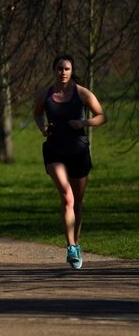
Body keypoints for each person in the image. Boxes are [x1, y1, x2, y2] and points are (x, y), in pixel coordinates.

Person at [32, 54, 106, 269]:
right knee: (67, 196)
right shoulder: (44, 94)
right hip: (55, 151)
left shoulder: (81, 93)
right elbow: (36, 114)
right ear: (53, 70)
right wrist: (43, 128)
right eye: (59, 68)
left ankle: (77, 243)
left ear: (71, 71)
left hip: (78, 152)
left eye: (66, 69)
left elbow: (102, 115)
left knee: (78, 201)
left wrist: (83, 122)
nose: (62, 72)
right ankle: (71, 246)